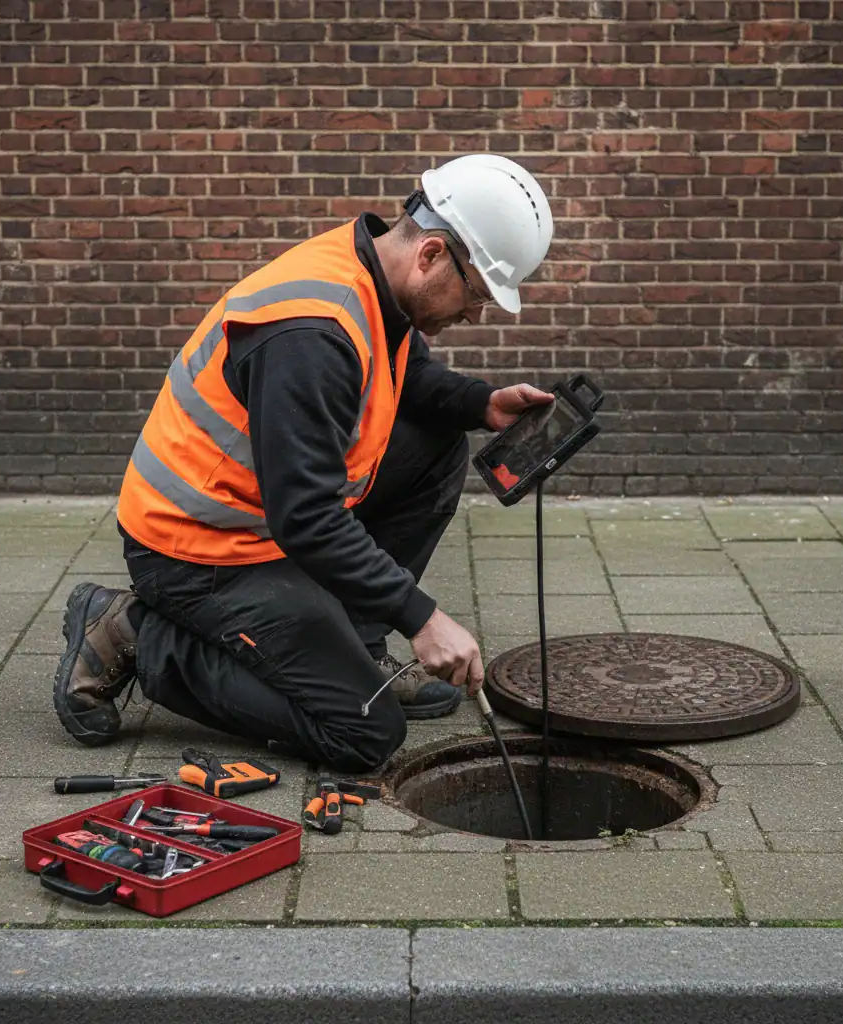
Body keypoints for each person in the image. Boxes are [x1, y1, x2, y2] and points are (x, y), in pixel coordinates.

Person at [52, 154, 555, 773]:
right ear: (430, 255)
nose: (476, 312)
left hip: (264, 517)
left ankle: (353, 651)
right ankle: (134, 633)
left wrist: (480, 404)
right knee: (364, 734)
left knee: (440, 441)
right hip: (198, 551)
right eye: (477, 292)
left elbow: (408, 372)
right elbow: (309, 520)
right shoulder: (312, 333)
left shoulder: (370, 269)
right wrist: (422, 618)